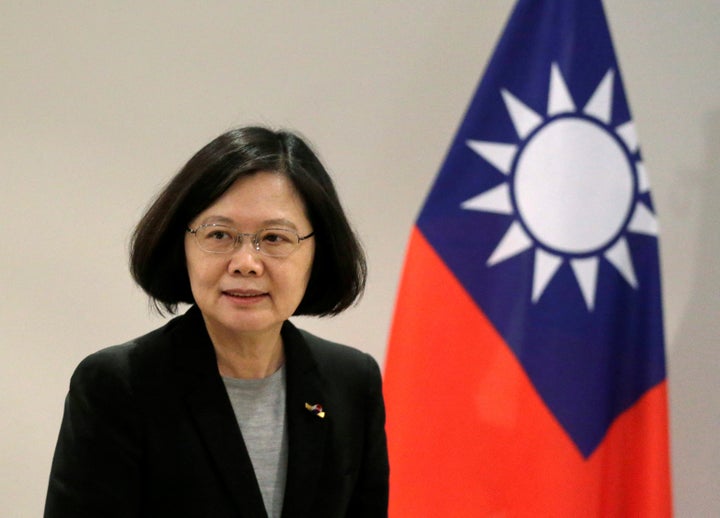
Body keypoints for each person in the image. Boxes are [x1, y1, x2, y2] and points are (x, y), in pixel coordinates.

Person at [44, 126, 389, 517]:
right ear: (183, 246)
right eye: (220, 234)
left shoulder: (351, 381)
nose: (245, 263)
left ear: (318, 251)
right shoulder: (118, 385)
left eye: (274, 238)